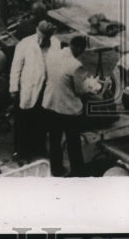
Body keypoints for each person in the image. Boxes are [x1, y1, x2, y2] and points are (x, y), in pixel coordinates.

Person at [43, 35, 96, 177]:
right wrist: (91, 89)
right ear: (79, 48)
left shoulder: (52, 56)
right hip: (67, 108)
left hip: (50, 102)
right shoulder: (75, 65)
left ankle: (56, 169)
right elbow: (79, 90)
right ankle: (78, 170)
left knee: (54, 140)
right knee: (73, 141)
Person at [9, 20, 60, 162]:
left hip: (46, 88)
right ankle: (20, 151)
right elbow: (16, 67)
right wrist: (14, 88)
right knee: (23, 120)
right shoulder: (25, 44)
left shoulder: (56, 43)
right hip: (28, 88)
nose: (41, 40)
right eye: (40, 36)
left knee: (42, 118)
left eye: (45, 38)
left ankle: (39, 148)